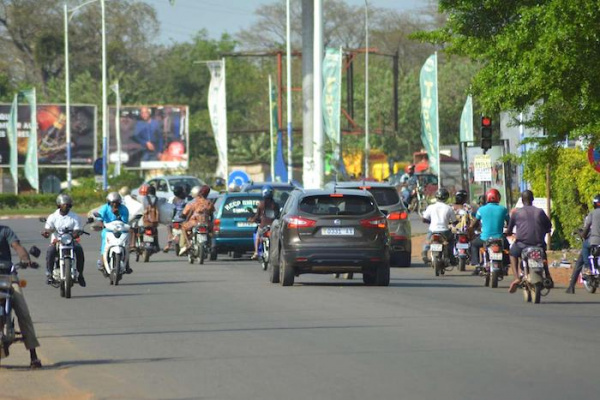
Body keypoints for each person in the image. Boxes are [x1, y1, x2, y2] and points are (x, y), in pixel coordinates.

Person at [0, 225, 42, 368]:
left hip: (8, 275)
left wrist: (25, 259)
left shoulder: (5, 231)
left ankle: (33, 355)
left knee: (23, 312)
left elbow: (17, 246)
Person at [506, 190, 553, 293]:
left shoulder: (516, 213)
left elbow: (509, 230)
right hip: (539, 244)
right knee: (543, 255)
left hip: (522, 244)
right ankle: (548, 275)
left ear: (522, 200)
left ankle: (516, 277)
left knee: (513, 253)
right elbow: (549, 226)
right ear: (532, 199)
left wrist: (508, 233)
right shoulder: (540, 211)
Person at [41, 194, 86, 287]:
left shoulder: (75, 217)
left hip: (71, 240)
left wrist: (76, 233)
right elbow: (48, 229)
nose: (66, 206)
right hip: (57, 241)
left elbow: (77, 229)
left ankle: (80, 274)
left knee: (79, 250)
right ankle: (49, 274)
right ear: (59, 205)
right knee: (50, 251)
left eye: (68, 205)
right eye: (64, 204)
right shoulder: (53, 216)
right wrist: (46, 233)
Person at [468, 188, 510, 273]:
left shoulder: (481, 209)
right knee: (507, 246)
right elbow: (509, 223)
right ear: (499, 198)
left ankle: (477, 264)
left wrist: (471, 231)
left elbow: (473, 224)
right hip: (499, 238)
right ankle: (505, 264)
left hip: (484, 238)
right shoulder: (503, 209)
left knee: (474, 244)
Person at [568, 194, 600, 293]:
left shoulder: (592, 213)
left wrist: (579, 232)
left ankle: (587, 268)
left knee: (584, 249)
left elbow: (585, 232)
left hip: (594, 241)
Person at [96, 192, 132, 274]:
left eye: (117, 202)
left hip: (121, 229)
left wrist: (118, 215)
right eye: (113, 203)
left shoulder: (124, 209)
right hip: (108, 230)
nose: (115, 204)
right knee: (105, 241)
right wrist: (101, 225)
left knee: (126, 244)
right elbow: (99, 218)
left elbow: (125, 221)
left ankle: (127, 264)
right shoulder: (104, 208)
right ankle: (102, 260)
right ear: (109, 202)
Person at [421, 187, 457, 264]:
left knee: (427, 241)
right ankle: (451, 256)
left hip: (433, 230)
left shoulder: (431, 207)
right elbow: (454, 221)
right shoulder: (449, 208)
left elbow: (424, 219)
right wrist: (453, 223)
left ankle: (424, 253)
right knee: (451, 240)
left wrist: (431, 222)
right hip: (445, 231)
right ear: (446, 197)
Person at [180, 185, 214, 255]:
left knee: (183, 227)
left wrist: (184, 216)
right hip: (206, 223)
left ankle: (188, 244)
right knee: (212, 232)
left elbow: (185, 212)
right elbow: (211, 213)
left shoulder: (194, 202)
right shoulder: (209, 203)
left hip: (194, 222)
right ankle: (210, 244)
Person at [249, 185, 280, 260]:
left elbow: (257, 215)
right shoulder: (275, 204)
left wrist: (252, 220)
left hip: (263, 226)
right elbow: (278, 215)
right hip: (273, 226)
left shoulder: (261, 204)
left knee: (257, 236)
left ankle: (256, 252)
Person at [566, 212, 592, 294]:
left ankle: (571, 286)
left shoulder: (591, 215)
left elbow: (585, 233)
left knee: (580, 262)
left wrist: (578, 231)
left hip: (592, 242)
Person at [165, 185, 188, 252]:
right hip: (183, 219)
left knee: (168, 226)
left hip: (174, 220)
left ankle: (168, 244)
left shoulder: (172, 200)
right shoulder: (185, 200)